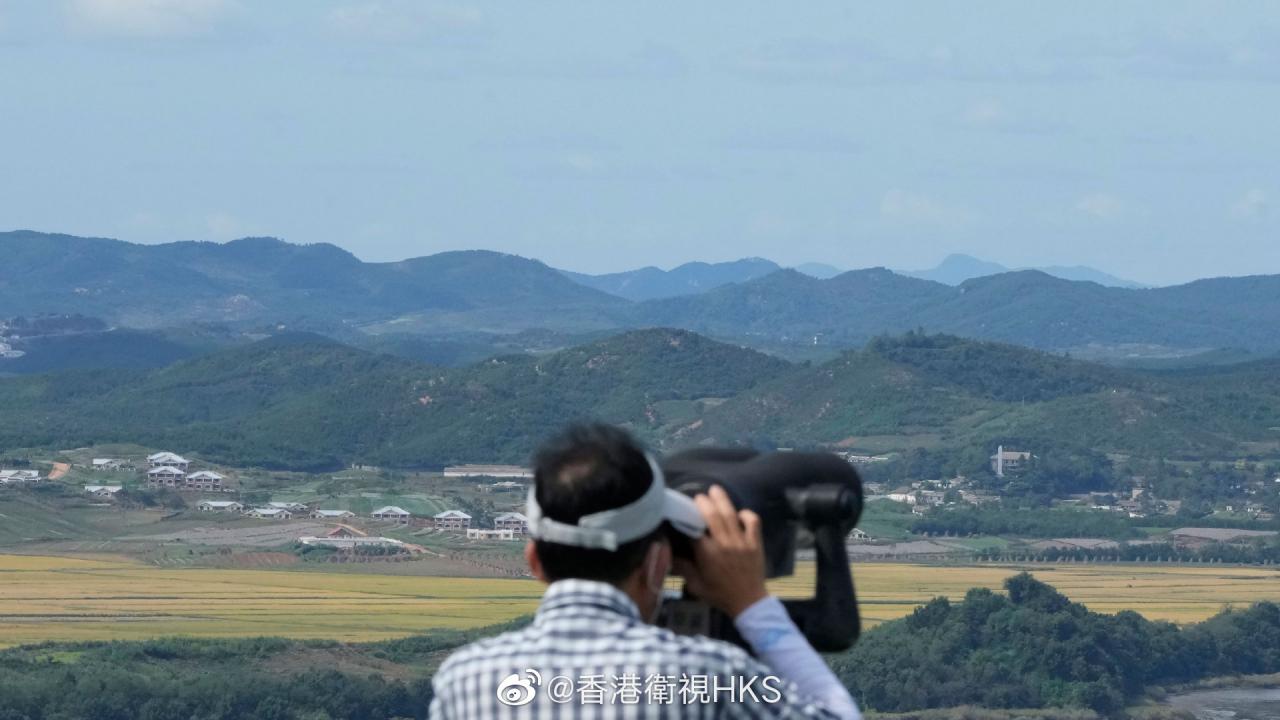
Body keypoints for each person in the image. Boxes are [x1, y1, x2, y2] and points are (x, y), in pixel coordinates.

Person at [429, 423, 861, 719]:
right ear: (657, 564)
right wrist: (752, 604)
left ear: (534, 561)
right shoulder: (709, 676)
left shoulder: (465, 678)